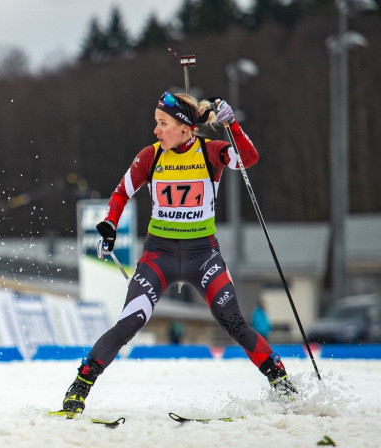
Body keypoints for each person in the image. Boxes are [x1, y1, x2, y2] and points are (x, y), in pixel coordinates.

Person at [60, 91, 297, 415]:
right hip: (160, 256)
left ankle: (284, 388)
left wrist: (232, 126)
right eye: (156, 123)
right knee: (129, 323)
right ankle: (79, 388)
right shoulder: (151, 156)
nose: (156, 131)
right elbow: (120, 193)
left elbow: (248, 158)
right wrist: (110, 225)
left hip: (203, 256)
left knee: (235, 323)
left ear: (185, 128)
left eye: (163, 124)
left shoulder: (210, 152)